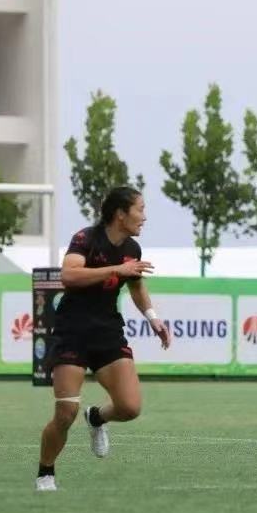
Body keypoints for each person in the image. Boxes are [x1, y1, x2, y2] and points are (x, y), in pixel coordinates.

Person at [35, 186, 171, 491]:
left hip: (107, 331)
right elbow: (69, 276)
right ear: (121, 214)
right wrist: (115, 269)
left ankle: (96, 418)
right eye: (140, 209)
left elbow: (136, 285)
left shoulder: (132, 249)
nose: (144, 217)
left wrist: (153, 317)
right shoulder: (85, 239)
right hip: (72, 331)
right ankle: (46, 473)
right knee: (65, 413)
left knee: (130, 407)